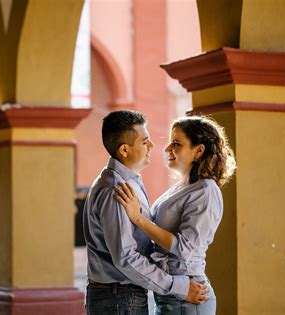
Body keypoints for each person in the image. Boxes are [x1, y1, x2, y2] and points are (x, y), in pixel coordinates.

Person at [84, 110, 209, 314]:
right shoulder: (117, 189)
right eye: (145, 142)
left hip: (121, 296)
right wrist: (179, 287)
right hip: (120, 298)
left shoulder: (128, 182)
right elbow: (126, 258)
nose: (151, 146)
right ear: (124, 150)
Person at [114, 115, 236, 315]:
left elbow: (184, 247)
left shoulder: (206, 190)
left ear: (198, 150)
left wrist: (138, 219)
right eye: (170, 142)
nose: (167, 148)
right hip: (172, 292)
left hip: (189, 295)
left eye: (177, 144)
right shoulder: (182, 187)